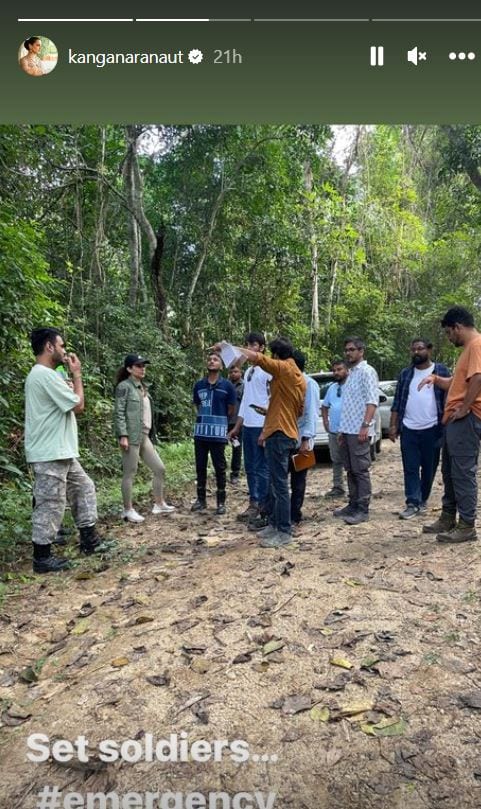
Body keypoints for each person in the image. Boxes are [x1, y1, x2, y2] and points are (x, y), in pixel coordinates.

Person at [25, 328, 107, 573]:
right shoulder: (43, 374)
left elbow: (68, 401)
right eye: (61, 345)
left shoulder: (47, 376)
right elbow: (78, 405)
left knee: (84, 488)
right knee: (50, 503)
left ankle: (89, 540)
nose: (64, 350)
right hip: (49, 451)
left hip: (62, 451)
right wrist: (77, 375)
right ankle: (42, 557)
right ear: (49, 347)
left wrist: (69, 385)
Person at [227, 337, 306, 547]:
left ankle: (284, 531)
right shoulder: (296, 377)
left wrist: (229, 348)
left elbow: (257, 358)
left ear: (277, 355)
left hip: (280, 434)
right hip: (280, 430)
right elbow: (296, 409)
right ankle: (274, 524)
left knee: (279, 485)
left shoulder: (284, 368)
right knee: (273, 482)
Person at [420, 307, 481, 543]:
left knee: (462, 472)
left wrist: (465, 407)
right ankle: (448, 517)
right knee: (449, 471)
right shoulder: (469, 350)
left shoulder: (476, 345)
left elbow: (478, 378)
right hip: (455, 421)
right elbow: (457, 384)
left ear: (457, 327)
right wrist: (435, 379)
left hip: (466, 419)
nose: (449, 338)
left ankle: (467, 525)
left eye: (448, 333)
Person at [389, 339, 451, 519]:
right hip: (408, 427)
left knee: (429, 467)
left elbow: (449, 396)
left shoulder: (440, 371)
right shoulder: (406, 373)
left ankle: (423, 498)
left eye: (420, 348)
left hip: (433, 428)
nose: (416, 352)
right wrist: (393, 425)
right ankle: (412, 502)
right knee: (410, 467)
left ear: (429, 350)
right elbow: (397, 401)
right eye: (414, 349)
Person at [114, 354, 175, 523]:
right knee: (130, 473)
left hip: (144, 435)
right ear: (129, 369)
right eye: (138, 365)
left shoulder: (142, 387)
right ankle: (127, 510)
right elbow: (119, 412)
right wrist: (123, 435)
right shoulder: (124, 387)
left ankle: (159, 503)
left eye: (143, 365)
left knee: (159, 469)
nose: (143, 368)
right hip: (131, 436)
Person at [334, 337, 379, 525]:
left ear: (361, 351)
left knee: (360, 470)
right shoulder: (350, 373)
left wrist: (365, 425)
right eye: (347, 350)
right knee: (350, 469)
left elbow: (372, 401)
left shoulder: (367, 372)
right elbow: (349, 403)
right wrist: (342, 430)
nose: (348, 353)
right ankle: (352, 504)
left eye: (352, 349)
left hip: (360, 429)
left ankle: (363, 508)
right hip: (347, 429)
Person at [228, 333, 271, 528]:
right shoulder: (248, 373)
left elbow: (272, 401)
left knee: (263, 467)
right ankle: (253, 502)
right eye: (247, 345)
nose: (249, 348)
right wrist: (237, 426)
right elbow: (245, 402)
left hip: (263, 425)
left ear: (261, 347)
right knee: (250, 467)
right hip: (248, 426)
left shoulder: (268, 370)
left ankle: (264, 505)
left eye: (253, 345)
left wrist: (267, 427)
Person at [192, 351, 237, 515]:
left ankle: (221, 502)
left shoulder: (227, 386)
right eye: (209, 359)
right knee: (200, 466)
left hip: (218, 433)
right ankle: (201, 499)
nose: (211, 361)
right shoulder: (199, 385)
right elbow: (197, 405)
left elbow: (231, 410)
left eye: (215, 359)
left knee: (220, 467)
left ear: (221, 365)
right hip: (201, 433)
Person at [290, 350, 320, 529]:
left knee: (298, 480)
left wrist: (306, 439)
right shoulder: (287, 383)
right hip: (286, 438)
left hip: (302, 440)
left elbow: (310, 413)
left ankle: (295, 514)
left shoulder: (309, 384)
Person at [321, 359, 349, 497]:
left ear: (347, 370)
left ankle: (354, 489)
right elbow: (325, 406)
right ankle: (338, 487)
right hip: (334, 431)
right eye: (334, 370)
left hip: (350, 430)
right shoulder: (332, 388)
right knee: (336, 460)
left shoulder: (351, 386)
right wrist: (326, 421)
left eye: (339, 369)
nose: (336, 372)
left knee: (351, 461)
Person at [227, 365, 244, 485]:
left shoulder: (245, 386)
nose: (233, 374)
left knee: (236, 448)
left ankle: (235, 473)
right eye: (231, 372)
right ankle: (221, 472)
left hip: (237, 423)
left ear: (241, 373)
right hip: (224, 422)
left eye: (236, 371)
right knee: (219, 447)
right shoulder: (225, 385)